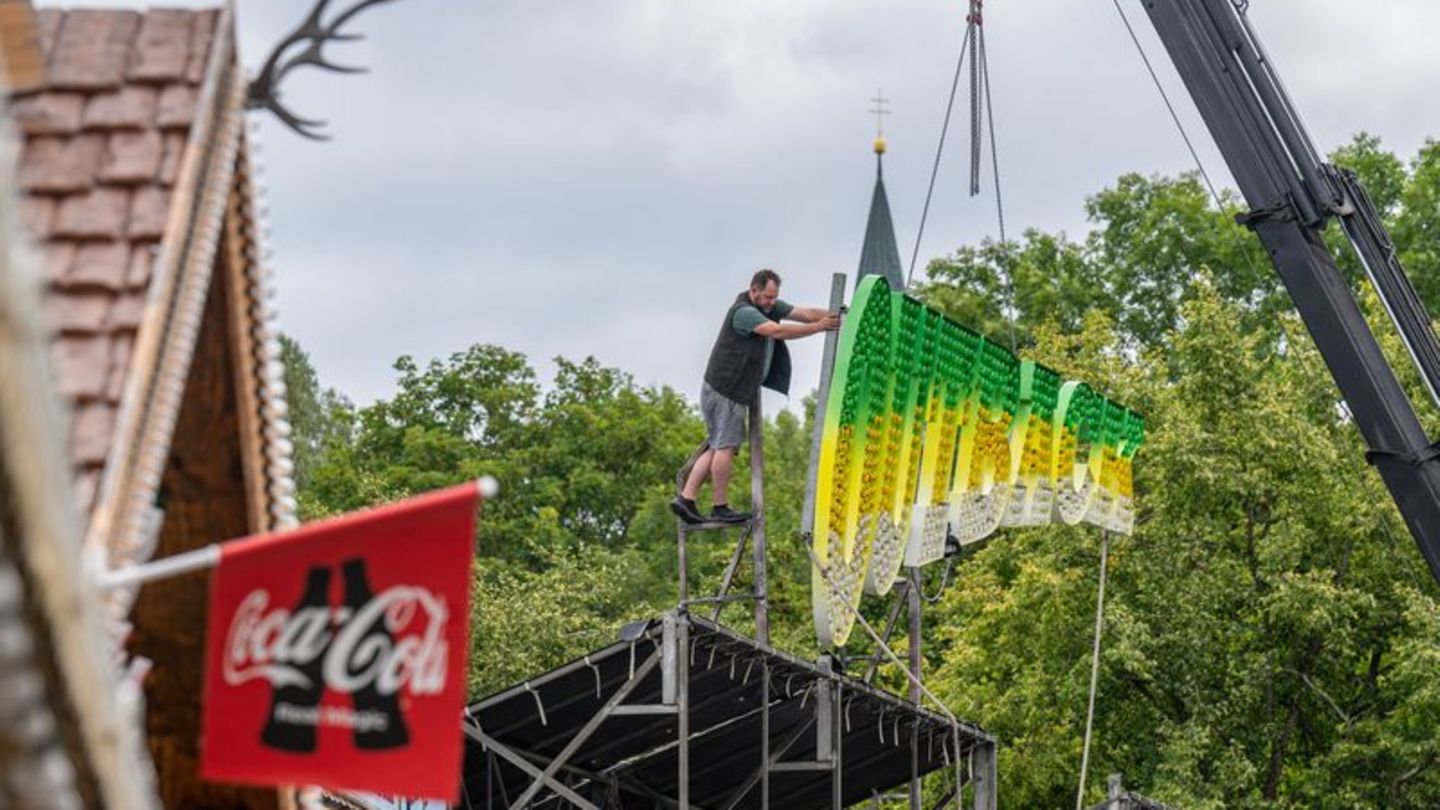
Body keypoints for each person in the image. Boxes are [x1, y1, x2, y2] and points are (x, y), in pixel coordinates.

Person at [671, 269, 841, 524]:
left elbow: (804, 314)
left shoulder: (767, 305)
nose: (772, 302)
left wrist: (834, 317)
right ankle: (720, 506)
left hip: (724, 390)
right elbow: (777, 332)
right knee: (725, 448)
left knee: (717, 445)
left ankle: (686, 499)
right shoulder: (744, 312)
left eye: (774, 298)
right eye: (767, 297)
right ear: (754, 291)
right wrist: (819, 328)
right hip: (726, 390)